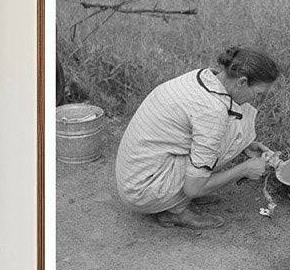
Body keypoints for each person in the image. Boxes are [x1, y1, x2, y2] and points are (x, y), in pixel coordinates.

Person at [115, 47, 280, 230]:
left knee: (238, 122)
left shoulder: (204, 76)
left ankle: (180, 193)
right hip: (143, 190)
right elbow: (192, 187)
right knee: (235, 126)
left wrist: (245, 147)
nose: (256, 100)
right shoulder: (213, 111)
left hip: (137, 171)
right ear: (242, 82)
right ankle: (175, 210)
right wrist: (243, 169)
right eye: (258, 93)